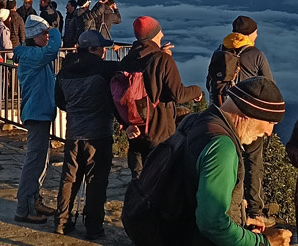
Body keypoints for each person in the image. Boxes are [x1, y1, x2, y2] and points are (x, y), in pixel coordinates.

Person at [122, 77, 291, 246]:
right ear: (248, 113)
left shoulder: (195, 121)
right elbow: (213, 223)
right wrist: (263, 242)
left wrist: (240, 219)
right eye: (270, 122)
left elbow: (187, 188)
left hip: (164, 228)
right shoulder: (221, 146)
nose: (269, 132)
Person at [212, 16, 276, 226]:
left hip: (225, 116)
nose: (257, 36)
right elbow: (269, 87)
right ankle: (256, 211)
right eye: (256, 32)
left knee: (230, 160)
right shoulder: (256, 54)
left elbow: (210, 81)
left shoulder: (220, 51)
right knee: (253, 162)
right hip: (251, 119)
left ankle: (232, 204)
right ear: (250, 34)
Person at [121, 16, 203, 178]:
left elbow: (118, 95)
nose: (163, 35)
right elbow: (178, 94)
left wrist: (126, 123)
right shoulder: (162, 59)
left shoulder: (126, 60)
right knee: (161, 180)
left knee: (139, 180)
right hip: (159, 131)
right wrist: (197, 90)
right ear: (153, 36)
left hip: (135, 130)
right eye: (160, 32)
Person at [54, 30, 117, 239]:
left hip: (74, 133)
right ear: (92, 49)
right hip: (98, 134)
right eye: (101, 48)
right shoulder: (104, 69)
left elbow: (60, 102)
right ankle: (93, 227)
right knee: (96, 181)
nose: (104, 51)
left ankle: (61, 222)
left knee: (69, 178)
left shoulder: (64, 70)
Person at [14, 15, 63, 224]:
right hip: (37, 113)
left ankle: (35, 200)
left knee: (41, 161)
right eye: (43, 34)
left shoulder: (32, 54)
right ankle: (24, 209)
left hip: (41, 112)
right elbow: (53, 50)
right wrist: (54, 29)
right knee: (34, 162)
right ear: (35, 36)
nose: (47, 37)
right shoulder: (32, 55)